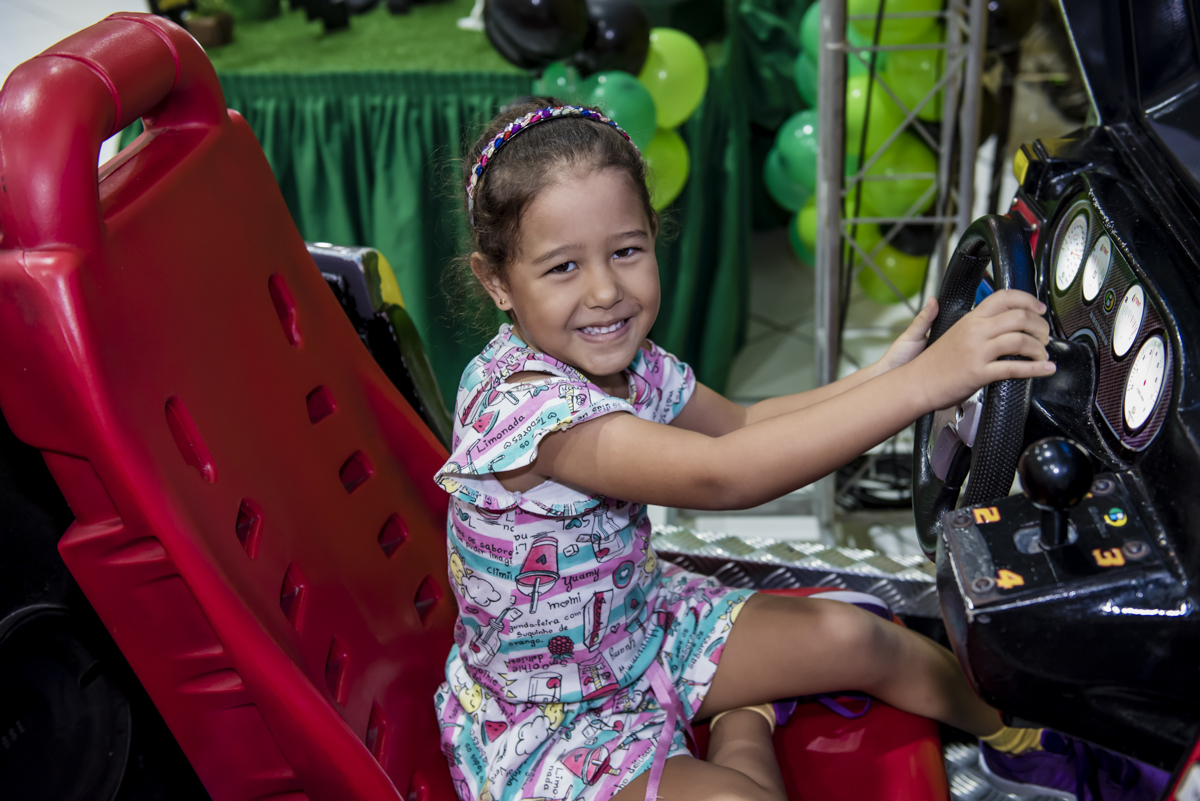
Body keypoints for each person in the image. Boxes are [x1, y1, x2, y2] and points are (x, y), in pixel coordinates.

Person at [431, 100, 1167, 801]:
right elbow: (726, 475)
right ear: (495, 281)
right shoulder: (534, 411)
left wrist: (893, 373)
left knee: (866, 638)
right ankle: (743, 719)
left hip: (639, 624)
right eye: (563, 267)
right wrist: (927, 387)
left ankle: (1023, 745)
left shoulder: (629, 363)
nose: (604, 292)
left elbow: (743, 425)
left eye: (626, 251)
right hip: (551, 717)